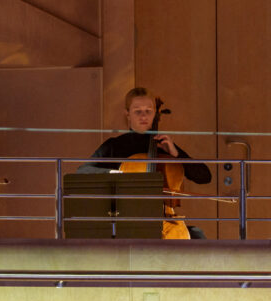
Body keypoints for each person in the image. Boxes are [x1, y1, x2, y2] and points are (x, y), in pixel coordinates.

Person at [77, 87, 212, 239]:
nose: (143, 116)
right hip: (127, 220)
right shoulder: (115, 146)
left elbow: (204, 176)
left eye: (148, 111)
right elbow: (82, 170)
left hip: (166, 222)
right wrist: (115, 174)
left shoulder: (164, 146)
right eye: (137, 111)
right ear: (127, 114)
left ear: (155, 114)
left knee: (198, 236)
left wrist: (177, 154)